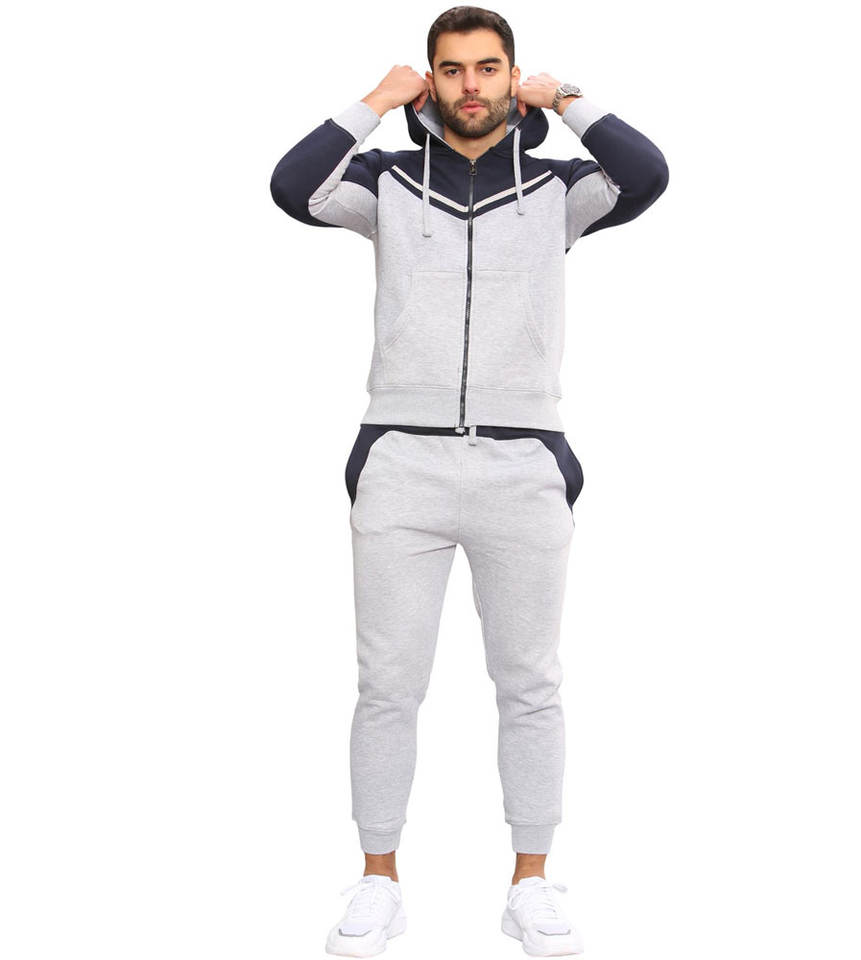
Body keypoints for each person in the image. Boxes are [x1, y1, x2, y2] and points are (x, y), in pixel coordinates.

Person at [269, 6, 668, 956]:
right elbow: (291, 188)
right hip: (402, 461)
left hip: (522, 463)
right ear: (432, 79)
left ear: (512, 76)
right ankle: (378, 878)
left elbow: (648, 175)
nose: (471, 85)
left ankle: (531, 881)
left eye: (489, 67)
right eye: (452, 69)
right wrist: (375, 100)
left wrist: (568, 100)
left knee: (530, 684)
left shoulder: (560, 190)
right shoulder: (385, 181)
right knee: (387, 686)